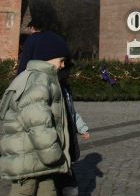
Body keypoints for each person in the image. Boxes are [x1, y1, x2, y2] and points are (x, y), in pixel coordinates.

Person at [0, 31, 72, 196]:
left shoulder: (40, 78)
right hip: (30, 155)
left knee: (48, 190)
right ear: (47, 57)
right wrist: (53, 154)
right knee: (24, 191)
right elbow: (37, 121)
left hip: (36, 156)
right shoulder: (38, 80)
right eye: (61, 60)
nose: (63, 65)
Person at [56, 65, 91, 196]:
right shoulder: (54, 89)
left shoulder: (66, 89)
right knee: (65, 182)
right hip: (58, 142)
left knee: (67, 179)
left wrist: (82, 129)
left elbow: (72, 113)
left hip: (68, 140)